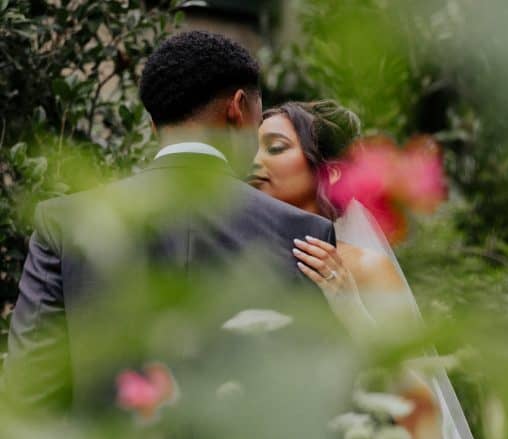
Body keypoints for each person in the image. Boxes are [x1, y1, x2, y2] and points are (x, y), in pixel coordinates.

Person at [5, 31, 336, 412]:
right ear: (239, 108)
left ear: (151, 126)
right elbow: (319, 394)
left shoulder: (65, 223)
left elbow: (29, 393)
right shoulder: (303, 234)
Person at [251, 100, 500, 439]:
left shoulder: (367, 270)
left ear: (327, 171)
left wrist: (350, 310)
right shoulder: (248, 260)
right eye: (253, 148)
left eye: (275, 147)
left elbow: (429, 432)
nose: (255, 161)